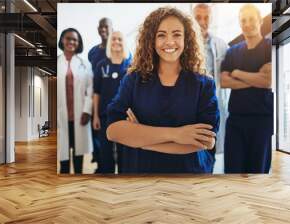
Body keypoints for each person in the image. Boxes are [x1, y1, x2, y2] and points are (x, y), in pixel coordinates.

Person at [106, 7, 220, 173]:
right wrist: (177, 134)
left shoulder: (204, 84)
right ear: (151, 39)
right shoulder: (133, 80)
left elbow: (206, 142)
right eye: (161, 35)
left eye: (176, 34)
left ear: (186, 39)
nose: (169, 42)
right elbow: (113, 131)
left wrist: (141, 139)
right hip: (140, 175)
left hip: (189, 174)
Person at [220, 4, 273, 173]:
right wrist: (256, 78)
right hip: (235, 121)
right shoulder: (232, 52)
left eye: (251, 19)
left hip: (261, 121)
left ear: (260, 21)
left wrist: (237, 73)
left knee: (258, 173)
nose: (247, 23)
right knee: (232, 172)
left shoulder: (269, 47)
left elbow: (268, 80)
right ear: (239, 23)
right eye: (243, 20)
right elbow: (224, 82)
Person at [193, 3, 230, 162]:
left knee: (210, 146)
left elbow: (228, 75)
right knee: (191, 148)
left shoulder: (221, 45)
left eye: (206, 17)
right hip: (190, 102)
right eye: (198, 17)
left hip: (211, 104)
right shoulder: (184, 43)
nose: (202, 21)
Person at [92, 31, 131, 173]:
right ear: (109, 43)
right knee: (105, 155)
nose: (116, 42)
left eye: (120, 39)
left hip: (124, 117)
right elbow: (96, 92)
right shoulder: (101, 65)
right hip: (104, 117)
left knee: (123, 155)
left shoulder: (130, 66)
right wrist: (95, 115)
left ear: (124, 43)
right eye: (113, 39)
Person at [57, 28, 94, 174]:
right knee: (63, 153)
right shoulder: (57, 62)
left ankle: (78, 180)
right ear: (62, 40)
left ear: (78, 43)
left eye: (75, 40)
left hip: (79, 115)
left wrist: (87, 110)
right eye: (68, 38)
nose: (71, 42)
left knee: (78, 152)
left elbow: (90, 88)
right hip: (62, 116)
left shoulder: (85, 64)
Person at [88, 18, 113, 167]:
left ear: (112, 28)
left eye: (106, 27)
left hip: (113, 99)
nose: (103, 29)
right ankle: (99, 162)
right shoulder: (93, 52)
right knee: (95, 131)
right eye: (101, 27)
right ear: (98, 29)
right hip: (95, 97)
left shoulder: (118, 50)